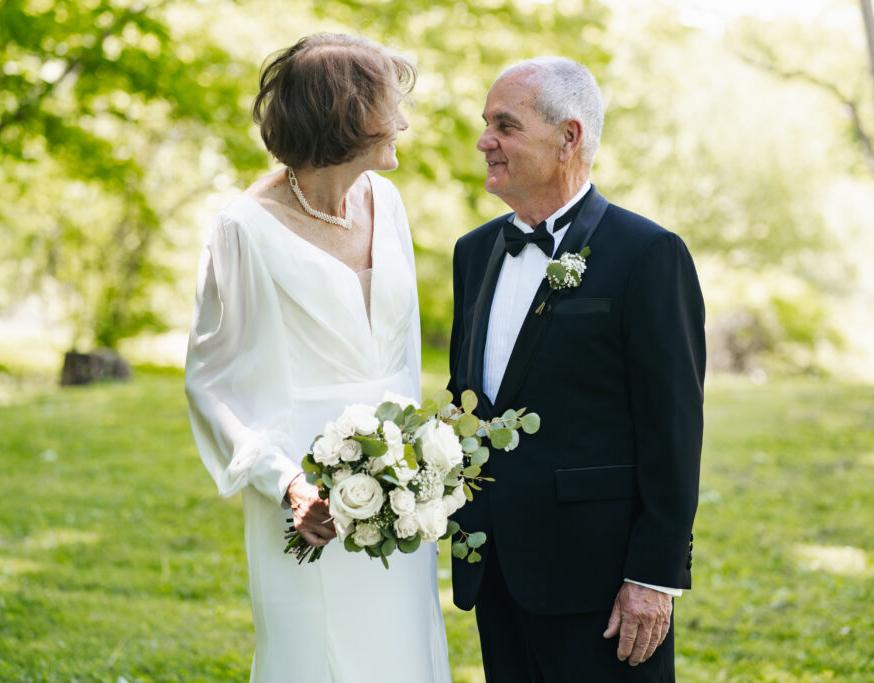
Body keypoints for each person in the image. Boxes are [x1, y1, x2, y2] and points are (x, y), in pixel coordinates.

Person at [185, 33, 450, 683]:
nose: (404, 122)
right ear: (343, 119)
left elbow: (402, 352)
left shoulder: (386, 203)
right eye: (389, 108)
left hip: (400, 488)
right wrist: (285, 481)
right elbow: (211, 380)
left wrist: (419, 458)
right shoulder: (242, 228)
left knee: (404, 650)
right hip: (307, 494)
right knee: (313, 655)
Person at [447, 57, 705, 682]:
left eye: (505, 125)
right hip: (496, 570)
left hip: (602, 585)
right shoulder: (474, 252)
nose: (485, 141)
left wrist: (652, 577)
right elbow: (467, 403)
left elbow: (673, 432)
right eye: (486, 124)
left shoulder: (648, 254)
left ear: (570, 137)